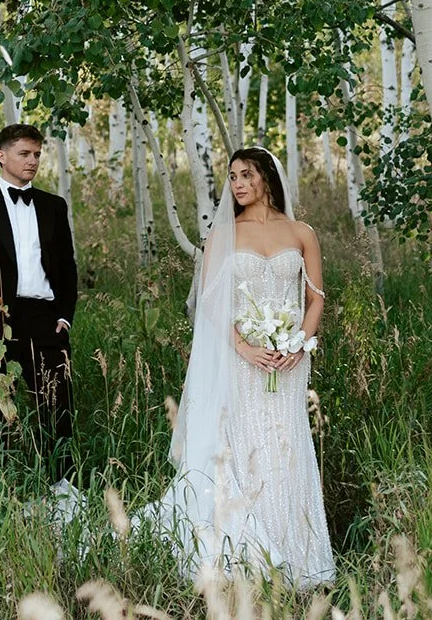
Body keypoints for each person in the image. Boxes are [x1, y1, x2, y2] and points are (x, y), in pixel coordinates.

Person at [142, 146, 336, 588]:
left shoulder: (301, 231)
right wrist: (244, 347)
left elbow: (315, 297)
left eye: (246, 175)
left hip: (289, 361)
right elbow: (209, 302)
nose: (238, 184)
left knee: (287, 449)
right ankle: (247, 554)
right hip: (243, 361)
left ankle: (298, 554)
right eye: (232, 177)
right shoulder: (223, 234)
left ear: (267, 177)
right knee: (246, 448)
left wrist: (301, 344)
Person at [0, 123, 78, 483]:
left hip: (44, 318)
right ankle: (1, 488)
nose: (32, 161)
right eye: (24, 153)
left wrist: (64, 318)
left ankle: (61, 486)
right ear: (2, 156)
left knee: (57, 406)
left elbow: (67, 268)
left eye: (37, 154)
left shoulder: (54, 206)